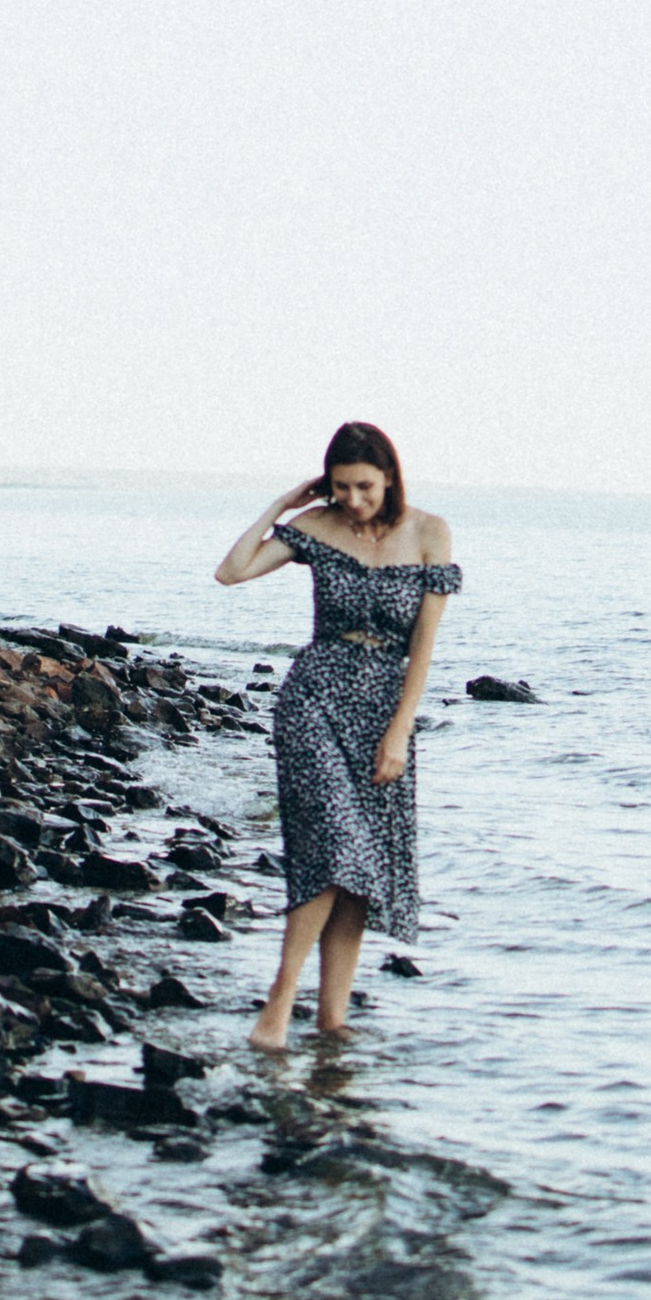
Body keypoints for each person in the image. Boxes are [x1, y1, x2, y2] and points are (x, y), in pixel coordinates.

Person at [215, 421, 461, 1047]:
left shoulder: (430, 534)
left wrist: (400, 731)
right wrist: (282, 505)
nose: (353, 499)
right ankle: (281, 997)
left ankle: (332, 1020)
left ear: (390, 478)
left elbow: (424, 648)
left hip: (383, 707)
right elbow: (232, 571)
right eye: (342, 487)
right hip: (314, 700)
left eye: (364, 487)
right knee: (332, 849)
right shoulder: (317, 527)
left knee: (362, 866)